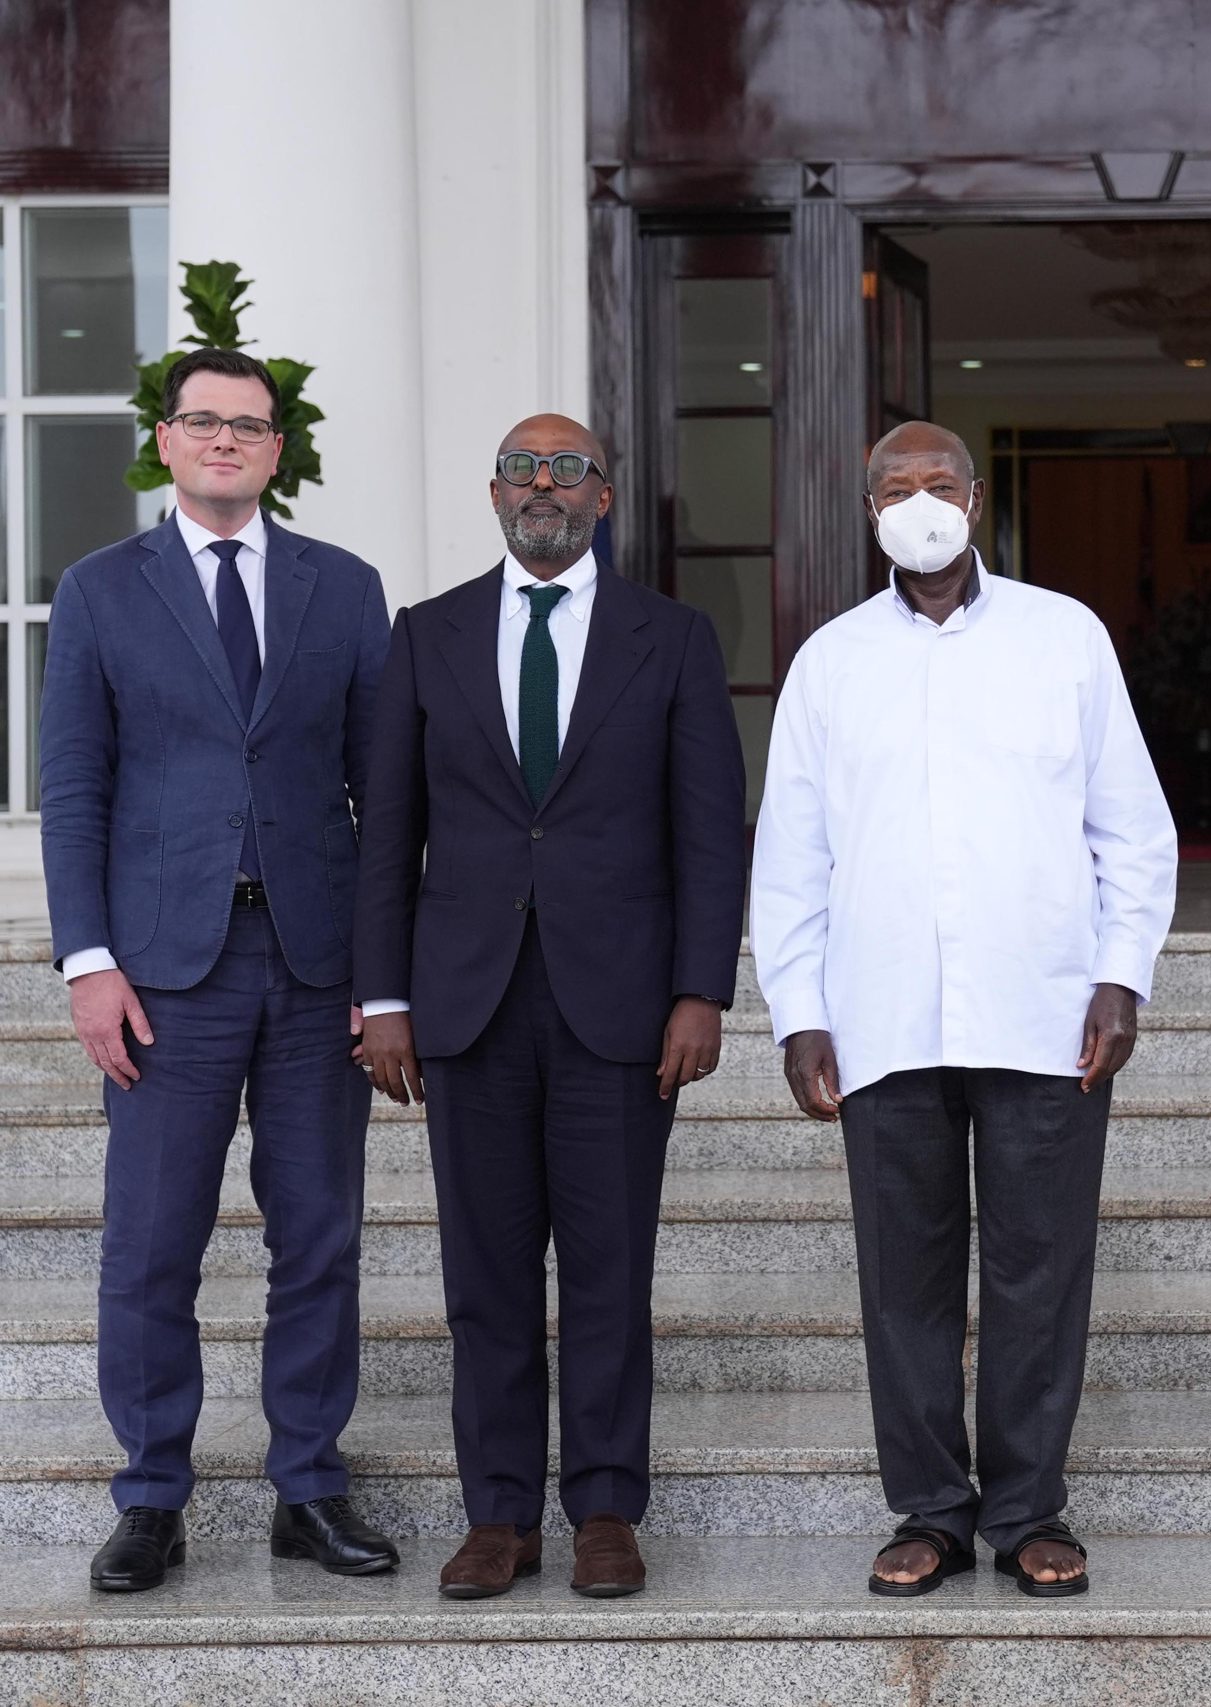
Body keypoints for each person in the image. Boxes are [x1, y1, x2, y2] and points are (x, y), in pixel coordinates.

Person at [752, 420, 1178, 1600]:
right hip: (882, 1019)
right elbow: (791, 856)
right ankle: (930, 1511)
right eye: (896, 486)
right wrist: (799, 1012)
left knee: (1041, 1270)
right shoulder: (831, 662)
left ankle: (1031, 1509)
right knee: (906, 1280)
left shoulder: (1064, 637)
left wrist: (1120, 975)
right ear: (869, 511)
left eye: (940, 482)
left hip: (1045, 1013)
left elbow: (1131, 829)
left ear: (977, 502)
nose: (919, 501)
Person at [354, 415, 745, 1600]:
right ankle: (499, 1515)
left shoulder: (669, 638)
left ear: (604, 497)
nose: (543, 488)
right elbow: (388, 835)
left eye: (567, 471)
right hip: (465, 1005)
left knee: (610, 1268)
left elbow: (707, 828)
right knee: (484, 1275)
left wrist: (701, 990)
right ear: (492, 494)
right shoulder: (425, 637)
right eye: (523, 470)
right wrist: (382, 997)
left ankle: (607, 1509)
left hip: (622, 1009)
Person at [41, 346, 395, 1592]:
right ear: (170, 441)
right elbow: (75, 790)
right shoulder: (98, 589)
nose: (228, 442)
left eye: (251, 426)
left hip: (312, 965)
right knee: (149, 1246)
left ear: (277, 450)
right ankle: (151, 1496)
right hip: (162, 973)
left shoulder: (344, 590)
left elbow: (382, 793)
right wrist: (88, 961)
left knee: (320, 1238)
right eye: (206, 422)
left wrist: (381, 972)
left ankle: (308, 1486)